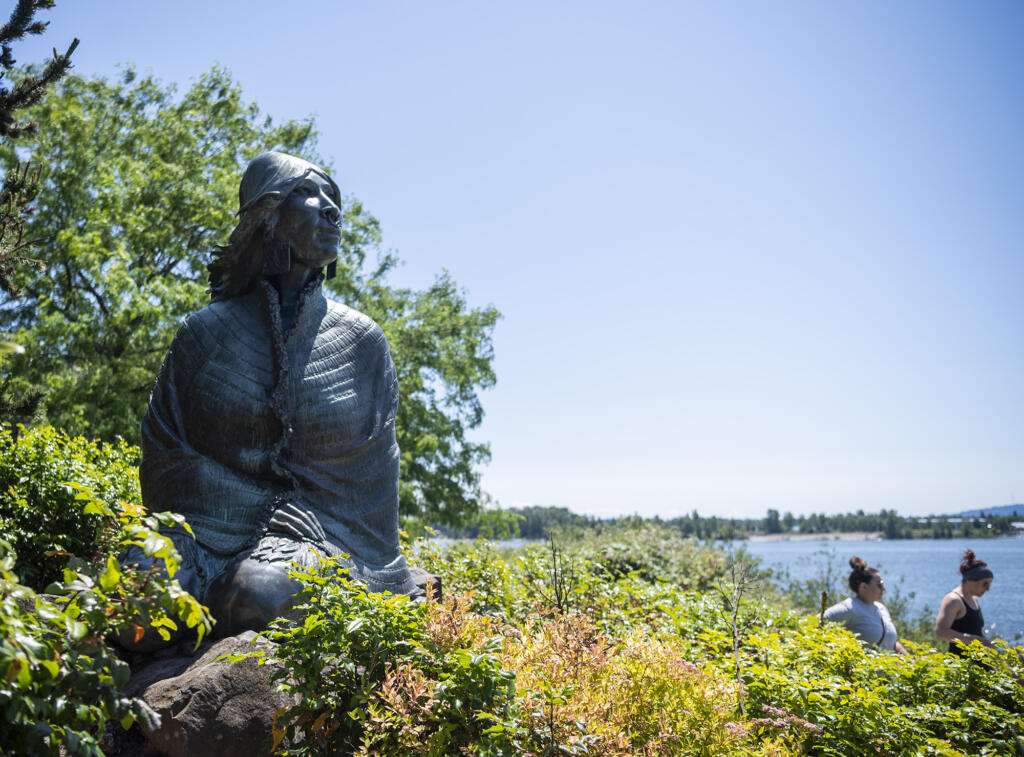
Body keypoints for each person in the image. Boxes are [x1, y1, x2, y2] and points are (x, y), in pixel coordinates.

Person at [128, 152, 422, 645]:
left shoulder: (361, 343)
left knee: (256, 595)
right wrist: (261, 506)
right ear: (267, 217)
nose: (331, 209)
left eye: (335, 199)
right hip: (202, 531)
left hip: (321, 537)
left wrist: (314, 528)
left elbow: (373, 485)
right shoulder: (204, 335)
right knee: (135, 596)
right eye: (309, 194)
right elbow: (164, 456)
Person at [822, 556, 908, 654]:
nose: (883, 588)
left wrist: (911, 663)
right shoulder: (850, 607)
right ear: (864, 587)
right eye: (879, 584)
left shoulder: (881, 608)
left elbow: (890, 643)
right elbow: (815, 621)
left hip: (891, 669)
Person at [935, 549, 994, 655]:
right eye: (985, 584)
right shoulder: (953, 600)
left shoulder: (973, 599)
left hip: (977, 662)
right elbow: (941, 632)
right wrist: (973, 640)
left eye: (990, 584)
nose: (988, 589)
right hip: (960, 664)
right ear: (970, 580)